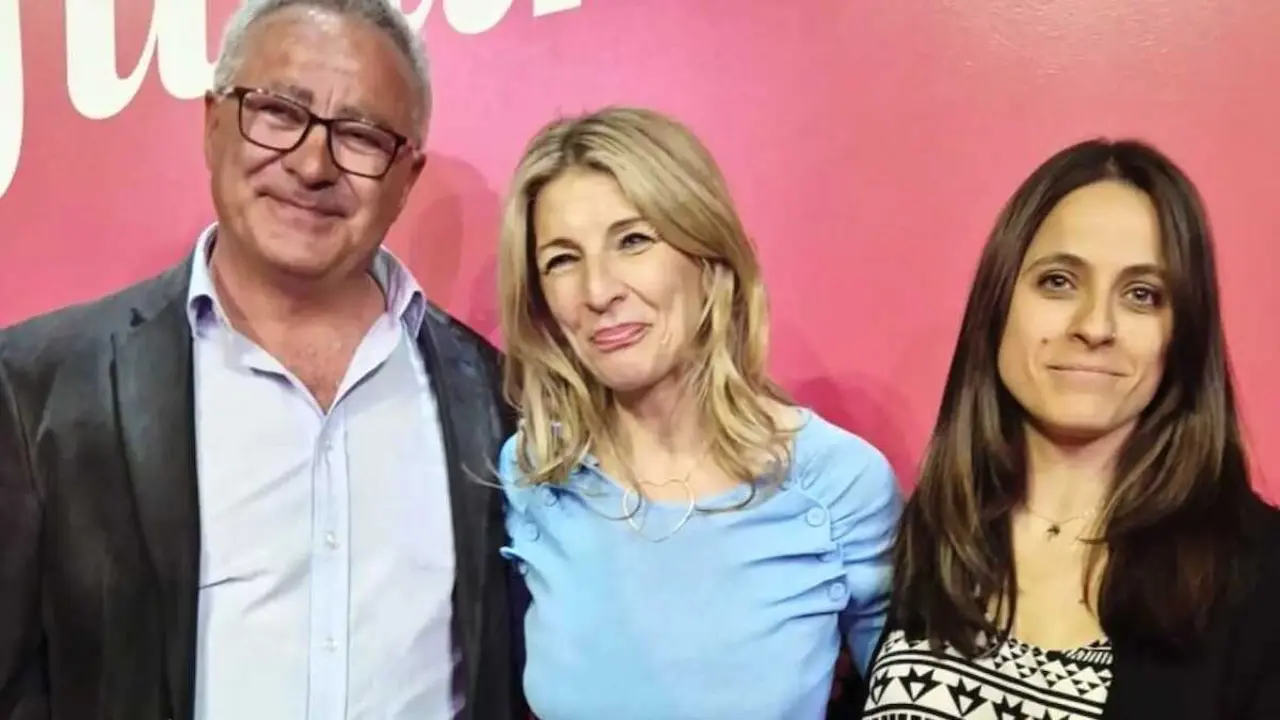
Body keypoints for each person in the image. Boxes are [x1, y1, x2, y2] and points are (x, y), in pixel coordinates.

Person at [0, 1, 522, 718]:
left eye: (361, 135)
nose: (312, 164)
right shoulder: (38, 389)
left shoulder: (494, 398)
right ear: (213, 123)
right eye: (278, 112)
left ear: (406, 176)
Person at [493, 106, 903, 720]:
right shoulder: (535, 474)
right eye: (562, 260)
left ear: (707, 258)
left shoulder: (839, 484)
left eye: (633, 241)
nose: (598, 291)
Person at [863, 139, 1280, 719]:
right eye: (1059, 281)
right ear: (998, 303)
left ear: (1184, 333)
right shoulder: (934, 530)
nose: (1095, 326)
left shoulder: (1261, 578)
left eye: (1142, 295)